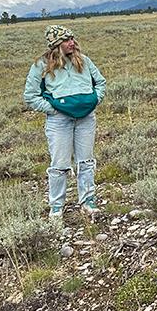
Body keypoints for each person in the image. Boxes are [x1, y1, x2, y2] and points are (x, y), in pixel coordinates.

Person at [23, 25, 106, 218]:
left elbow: (100, 82)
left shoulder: (84, 61)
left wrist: (95, 100)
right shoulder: (41, 65)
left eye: (72, 38)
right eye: (67, 39)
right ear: (56, 44)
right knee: (59, 165)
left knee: (85, 161)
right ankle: (56, 207)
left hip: (86, 118)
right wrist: (53, 110)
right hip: (59, 122)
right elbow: (30, 95)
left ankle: (88, 201)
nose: (72, 42)